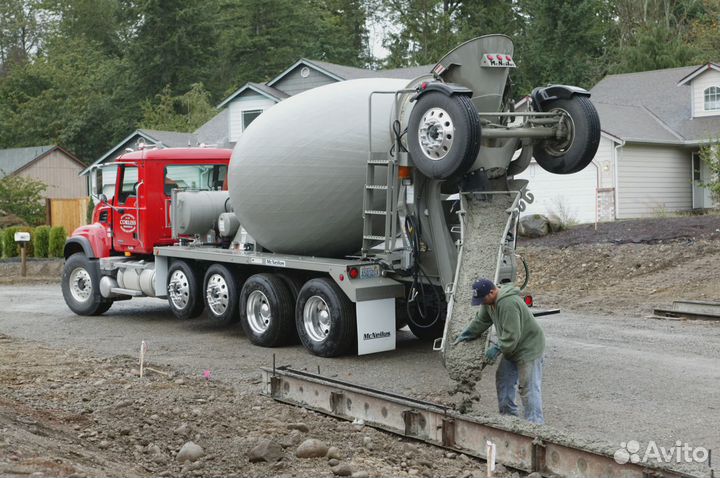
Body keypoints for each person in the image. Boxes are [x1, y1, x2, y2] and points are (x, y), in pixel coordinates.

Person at [454, 278, 545, 424]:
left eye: (482, 299)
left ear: (492, 292)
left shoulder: (508, 303)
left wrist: (496, 348)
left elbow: (511, 336)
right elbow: (481, 321)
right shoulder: (489, 302)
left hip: (529, 348)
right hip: (512, 348)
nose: (481, 302)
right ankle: (508, 419)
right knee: (503, 379)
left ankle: (536, 425)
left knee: (528, 387)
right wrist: (467, 334)